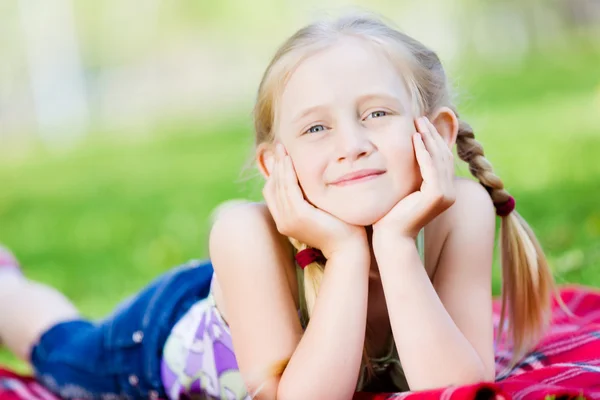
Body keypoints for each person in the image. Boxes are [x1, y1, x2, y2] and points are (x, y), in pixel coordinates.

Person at [0, 12, 557, 400]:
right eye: (316, 127)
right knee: (62, 351)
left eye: (377, 114)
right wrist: (342, 251)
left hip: (271, 287)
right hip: (165, 334)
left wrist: (393, 246)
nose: (351, 144)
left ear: (434, 132)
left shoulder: (458, 212)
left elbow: (455, 388)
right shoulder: (244, 232)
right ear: (275, 165)